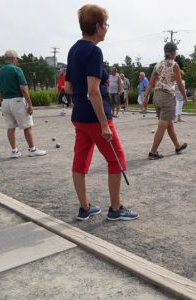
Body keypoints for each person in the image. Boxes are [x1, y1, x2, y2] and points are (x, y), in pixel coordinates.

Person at [64, 4, 138, 221]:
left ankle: (84, 207)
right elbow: (94, 91)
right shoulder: (94, 51)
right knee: (117, 159)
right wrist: (104, 124)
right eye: (105, 25)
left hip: (79, 115)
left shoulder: (73, 50)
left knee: (81, 160)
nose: (107, 28)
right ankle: (116, 209)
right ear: (97, 26)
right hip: (96, 117)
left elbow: (67, 88)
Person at [0, 50, 47, 158]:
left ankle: (14, 151)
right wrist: (30, 104)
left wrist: (2, 104)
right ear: (13, 58)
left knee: (10, 127)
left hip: (5, 101)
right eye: (17, 59)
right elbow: (23, 88)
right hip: (17, 101)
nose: (18, 62)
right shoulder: (16, 70)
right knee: (27, 126)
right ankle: (32, 149)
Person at [143, 42, 188, 160]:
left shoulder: (158, 65)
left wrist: (145, 98)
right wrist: (184, 96)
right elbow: (179, 83)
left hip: (156, 96)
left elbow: (151, 83)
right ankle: (153, 152)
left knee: (169, 123)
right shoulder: (175, 65)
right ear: (173, 53)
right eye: (176, 52)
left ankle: (177, 146)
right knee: (163, 124)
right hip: (167, 96)